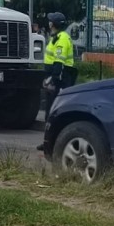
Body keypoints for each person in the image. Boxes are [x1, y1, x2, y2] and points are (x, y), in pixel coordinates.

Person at [36, 13, 77, 149]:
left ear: (54, 24)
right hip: (56, 77)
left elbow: (59, 63)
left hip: (60, 79)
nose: (48, 23)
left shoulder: (62, 39)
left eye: (50, 21)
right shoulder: (57, 37)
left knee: (54, 111)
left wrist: (51, 79)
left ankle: (52, 143)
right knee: (50, 110)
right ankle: (48, 142)